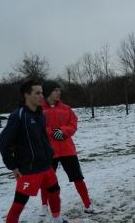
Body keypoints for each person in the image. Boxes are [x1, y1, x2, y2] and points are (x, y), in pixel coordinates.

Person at [0, 77, 77, 223]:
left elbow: (42, 137)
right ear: (27, 95)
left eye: (42, 92)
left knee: (55, 191)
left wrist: (48, 154)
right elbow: (3, 143)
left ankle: (58, 221)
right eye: (38, 93)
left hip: (46, 166)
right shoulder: (18, 116)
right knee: (17, 207)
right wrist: (13, 166)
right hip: (28, 172)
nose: (42, 96)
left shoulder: (40, 113)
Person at [41, 80, 96, 215]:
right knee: (46, 181)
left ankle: (87, 205)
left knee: (78, 177)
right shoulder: (39, 110)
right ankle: (44, 206)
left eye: (59, 90)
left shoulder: (66, 108)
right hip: (49, 151)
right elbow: (37, 127)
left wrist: (63, 131)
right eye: (55, 90)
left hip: (67, 150)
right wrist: (52, 132)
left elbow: (73, 124)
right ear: (48, 92)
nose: (59, 92)